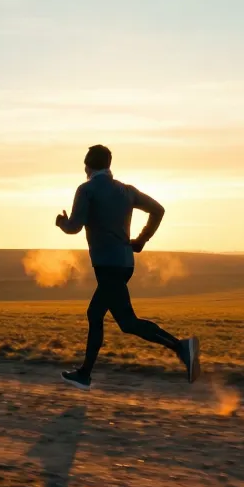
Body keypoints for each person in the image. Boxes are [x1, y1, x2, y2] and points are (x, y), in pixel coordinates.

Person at [55, 144, 200, 391]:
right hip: (125, 264)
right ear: (108, 166)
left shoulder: (86, 190)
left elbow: (75, 227)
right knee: (95, 314)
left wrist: (62, 223)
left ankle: (182, 347)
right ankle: (84, 374)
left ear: (87, 166)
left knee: (127, 322)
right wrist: (142, 240)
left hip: (107, 266)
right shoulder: (126, 191)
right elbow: (158, 210)